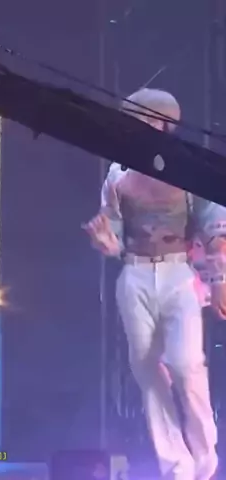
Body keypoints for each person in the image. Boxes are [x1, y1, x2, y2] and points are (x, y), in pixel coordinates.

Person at [84, 88, 226, 480]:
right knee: (146, 368)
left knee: (185, 364)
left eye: (145, 119)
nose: (137, 126)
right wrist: (106, 241)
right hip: (135, 274)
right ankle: (176, 464)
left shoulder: (188, 168)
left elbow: (216, 228)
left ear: (163, 123)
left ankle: (205, 453)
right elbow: (113, 226)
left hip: (180, 274)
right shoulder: (118, 173)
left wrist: (220, 281)